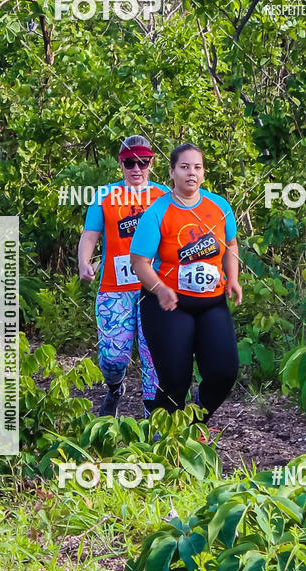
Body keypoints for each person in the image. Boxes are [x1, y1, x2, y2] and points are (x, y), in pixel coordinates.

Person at [130, 142, 242, 423]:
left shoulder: (219, 206)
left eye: (197, 167)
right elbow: (139, 262)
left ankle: (196, 421)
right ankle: (162, 439)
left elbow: (231, 245)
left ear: (203, 173)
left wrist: (234, 279)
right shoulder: (158, 212)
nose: (191, 173)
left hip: (212, 303)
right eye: (184, 167)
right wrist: (160, 288)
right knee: (175, 381)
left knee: (224, 372)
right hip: (168, 304)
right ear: (172, 172)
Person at [78, 135, 169, 416]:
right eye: (130, 162)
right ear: (121, 163)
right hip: (114, 289)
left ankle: (152, 420)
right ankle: (115, 387)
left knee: (154, 356)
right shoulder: (105, 196)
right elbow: (90, 234)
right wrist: (84, 262)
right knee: (113, 358)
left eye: (143, 162)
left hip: (154, 289)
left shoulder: (164, 195)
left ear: (152, 163)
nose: (136, 168)